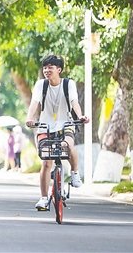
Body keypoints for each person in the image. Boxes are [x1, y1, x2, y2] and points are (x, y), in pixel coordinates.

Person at [25, 54, 90, 211]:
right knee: (47, 162)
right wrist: (29, 118)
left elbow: (74, 102)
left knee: (67, 145)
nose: (47, 70)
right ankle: (43, 198)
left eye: (50, 67)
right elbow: (35, 103)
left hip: (65, 124)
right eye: (45, 67)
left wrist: (80, 116)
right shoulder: (41, 85)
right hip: (44, 126)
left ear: (59, 69)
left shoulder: (69, 84)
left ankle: (75, 173)